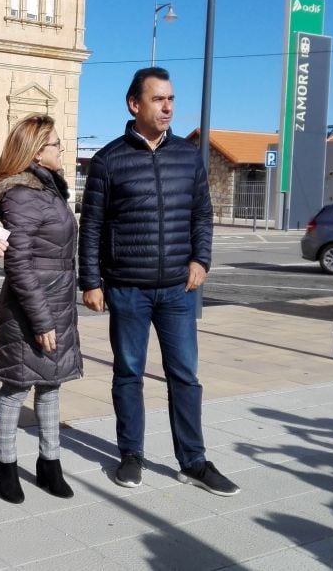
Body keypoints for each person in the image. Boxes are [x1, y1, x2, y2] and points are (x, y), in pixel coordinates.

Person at [78, 66, 241, 497]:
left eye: (171, 99)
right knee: (128, 372)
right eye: (158, 99)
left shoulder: (188, 156)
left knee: (184, 374)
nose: (168, 106)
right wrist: (90, 281)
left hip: (177, 289)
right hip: (127, 287)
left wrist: (200, 259)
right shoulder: (108, 160)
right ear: (135, 104)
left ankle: (194, 461)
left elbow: (202, 214)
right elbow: (92, 225)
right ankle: (130, 455)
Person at [0, 115, 82, 504]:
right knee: (17, 386)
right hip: (31, 307)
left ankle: (49, 462)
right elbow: (18, 263)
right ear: (37, 151)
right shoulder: (23, 194)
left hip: (56, 300)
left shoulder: (48, 189)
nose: (62, 149)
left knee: (51, 383)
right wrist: (40, 320)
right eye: (56, 144)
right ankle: (5, 464)